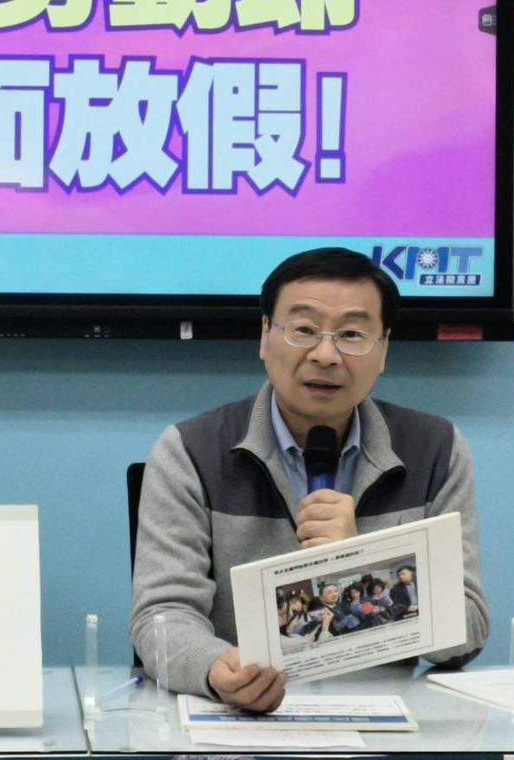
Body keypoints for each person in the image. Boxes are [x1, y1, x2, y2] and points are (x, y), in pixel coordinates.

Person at [129, 247, 489, 713]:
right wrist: (218, 671)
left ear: (384, 349)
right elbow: (161, 618)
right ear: (265, 335)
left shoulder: (435, 449)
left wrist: (363, 561)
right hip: (239, 722)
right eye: (303, 330)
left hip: (385, 722)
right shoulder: (190, 451)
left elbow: (467, 633)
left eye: (352, 334)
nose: (325, 355)